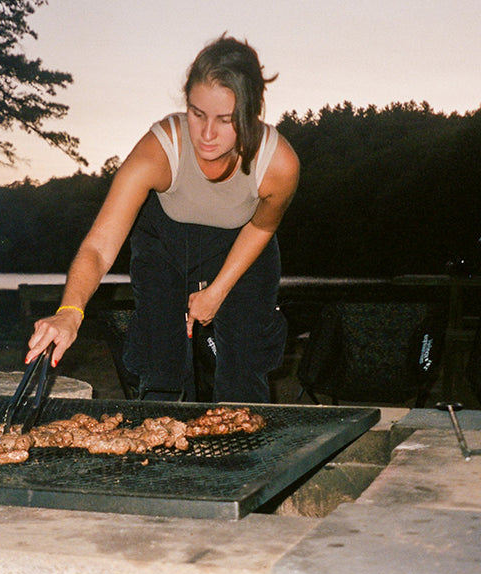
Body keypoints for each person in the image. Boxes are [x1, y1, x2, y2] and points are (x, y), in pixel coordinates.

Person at [26, 35, 300, 402]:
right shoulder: (160, 149)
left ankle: (244, 454)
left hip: (242, 245)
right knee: (162, 368)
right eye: (197, 113)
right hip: (166, 244)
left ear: (251, 112)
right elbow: (99, 245)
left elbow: (262, 226)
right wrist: (70, 312)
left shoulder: (278, 164)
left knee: (244, 372)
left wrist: (216, 292)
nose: (206, 134)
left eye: (225, 120)